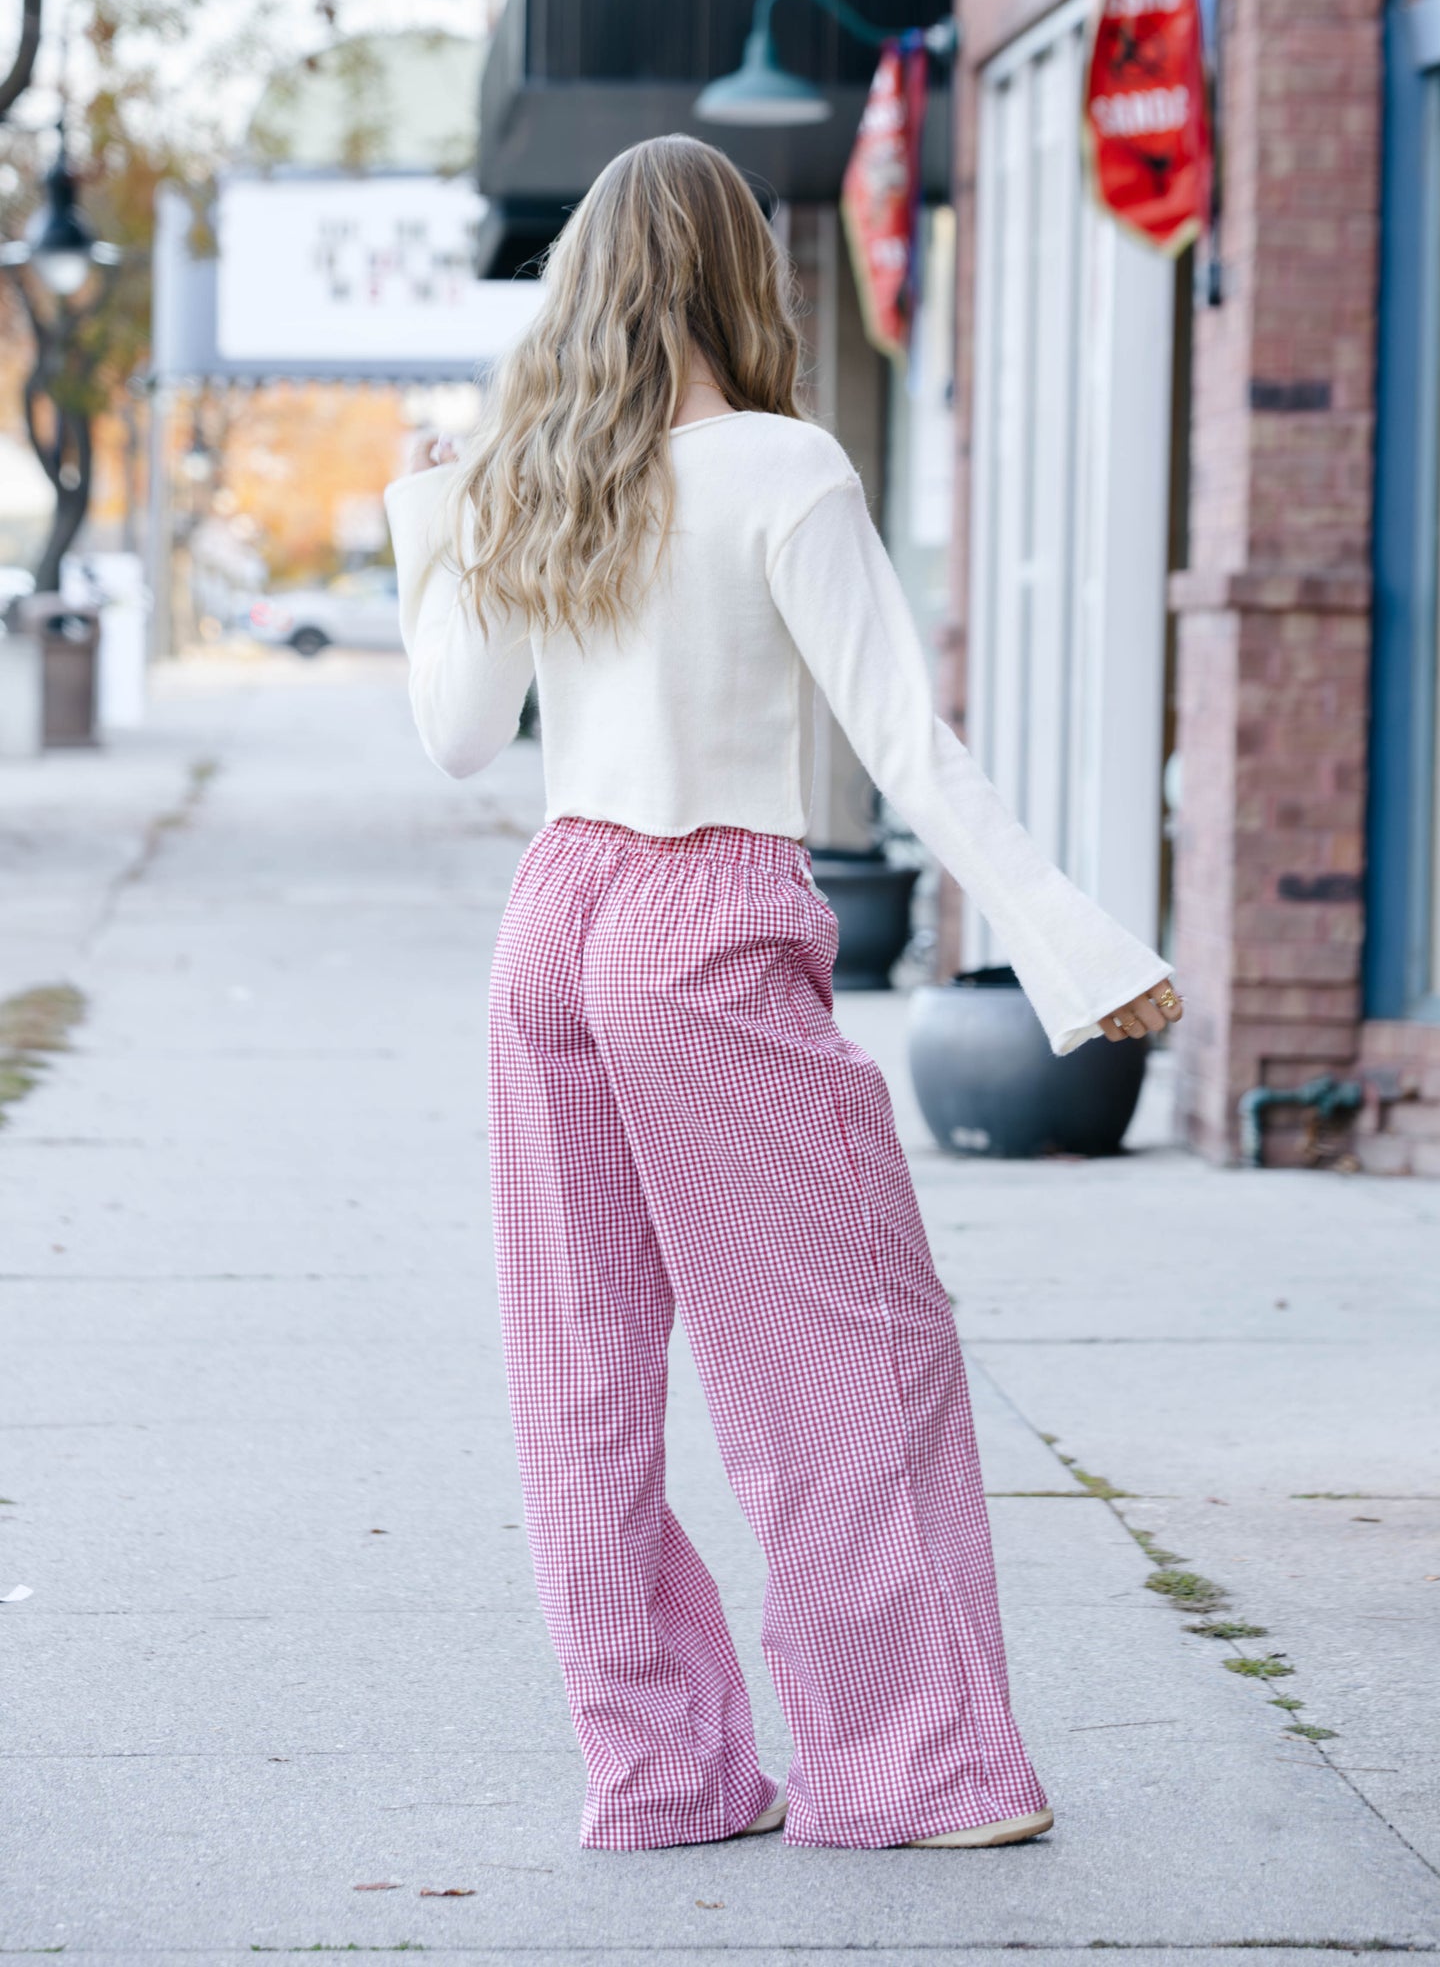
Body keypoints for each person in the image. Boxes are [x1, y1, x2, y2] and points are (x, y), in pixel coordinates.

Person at [383, 134, 1182, 1856]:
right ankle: (920, 1771)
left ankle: (662, 1778)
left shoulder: (535, 475)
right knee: (849, 1356)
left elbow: (458, 737)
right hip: (701, 922)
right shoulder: (783, 466)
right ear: (746, 277)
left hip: (551, 921)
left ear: (587, 283)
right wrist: (1076, 948)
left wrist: (422, 523)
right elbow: (906, 740)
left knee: (579, 1367)